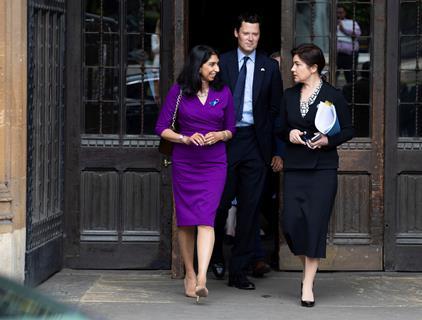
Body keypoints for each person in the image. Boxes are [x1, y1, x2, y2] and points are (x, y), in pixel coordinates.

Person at [155, 45, 235, 301]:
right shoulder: (179, 91)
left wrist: (219, 134)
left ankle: (202, 277)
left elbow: (231, 128)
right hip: (186, 162)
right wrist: (185, 138)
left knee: (206, 218)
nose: (216, 69)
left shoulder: (223, 92)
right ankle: (189, 273)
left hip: (214, 163)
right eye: (211, 64)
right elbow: (161, 128)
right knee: (186, 221)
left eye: (217, 64)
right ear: (198, 65)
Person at [211, 12, 283, 290]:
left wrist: (276, 150)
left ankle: (238, 272)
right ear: (236, 33)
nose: (251, 38)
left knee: (250, 209)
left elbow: (276, 111)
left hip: (256, 142)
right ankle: (215, 255)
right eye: (246, 33)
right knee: (220, 204)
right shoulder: (223, 62)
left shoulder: (269, 66)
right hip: (226, 141)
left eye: (255, 34)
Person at [279, 43, 354, 307]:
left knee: (315, 226)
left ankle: (308, 284)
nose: (292, 68)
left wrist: (326, 140)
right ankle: (307, 269)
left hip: (322, 169)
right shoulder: (288, 96)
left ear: (313, 68)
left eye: (297, 64)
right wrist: (289, 133)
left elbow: (347, 130)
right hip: (295, 167)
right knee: (290, 223)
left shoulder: (333, 95)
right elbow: (279, 127)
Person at [337, 5, 361, 83]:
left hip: (350, 54)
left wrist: (343, 30)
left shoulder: (352, 23)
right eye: (337, 13)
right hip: (337, 54)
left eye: (341, 12)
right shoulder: (332, 23)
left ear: (345, 13)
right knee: (333, 74)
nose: (339, 15)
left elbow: (357, 34)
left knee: (350, 75)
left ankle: (351, 93)